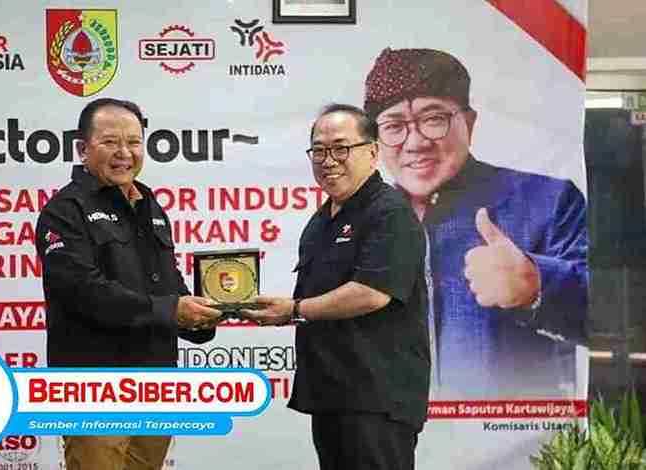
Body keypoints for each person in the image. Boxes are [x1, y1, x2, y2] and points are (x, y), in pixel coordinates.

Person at [363, 47, 589, 398]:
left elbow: (615, 316)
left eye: (434, 119)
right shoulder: (361, 222)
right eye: (394, 126)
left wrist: (537, 283)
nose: (416, 142)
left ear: (469, 122)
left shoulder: (550, 201)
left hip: (509, 429)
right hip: (391, 426)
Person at [35, 97, 222, 470]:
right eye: (110, 142)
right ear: (83, 149)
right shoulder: (64, 212)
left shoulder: (149, 204)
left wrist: (202, 316)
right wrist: (172, 310)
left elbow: (168, 282)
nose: (125, 153)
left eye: (134, 142)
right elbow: (86, 292)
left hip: (156, 381)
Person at [244, 104, 429, 470]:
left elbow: (372, 292)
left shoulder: (389, 212)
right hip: (332, 392)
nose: (328, 161)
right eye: (319, 150)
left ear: (372, 152)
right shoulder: (322, 219)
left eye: (341, 148)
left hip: (376, 397)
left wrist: (294, 310)